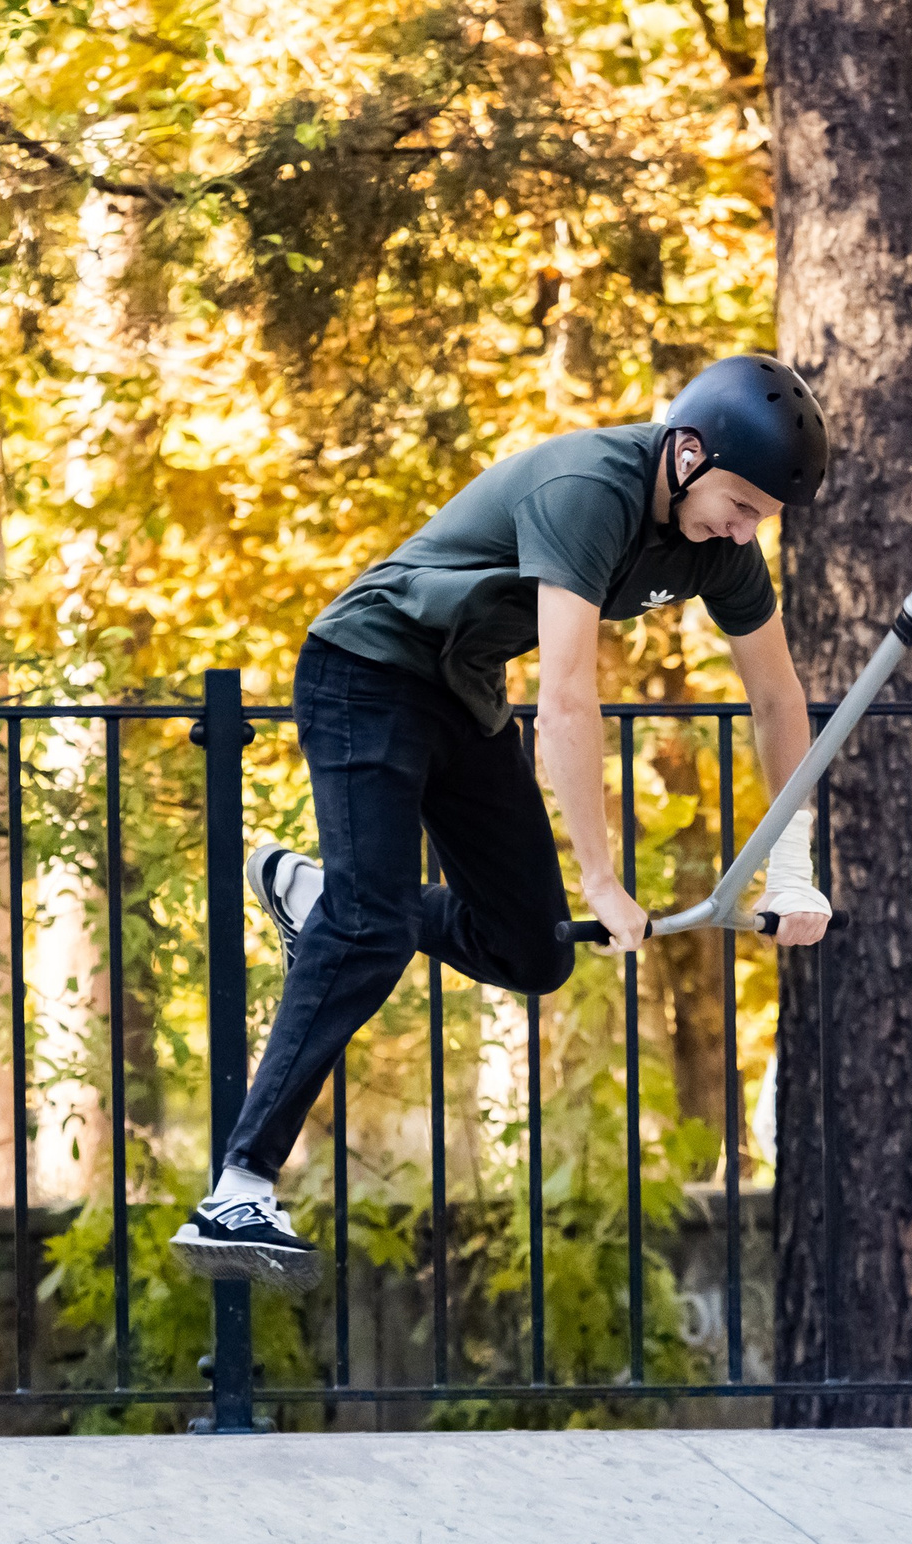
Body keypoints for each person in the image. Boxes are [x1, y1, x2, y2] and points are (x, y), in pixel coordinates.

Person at [171, 354, 837, 1289]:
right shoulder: (590, 491)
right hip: (364, 670)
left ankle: (320, 893)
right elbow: (567, 699)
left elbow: (777, 698)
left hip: (461, 694)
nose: (748, 527)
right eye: (742, 503)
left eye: (762, 515)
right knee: (370, 929)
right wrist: (601, 878)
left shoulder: (719, 548)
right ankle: (240, 1186)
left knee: (532, 951)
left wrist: (794, 859)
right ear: (686, 454)